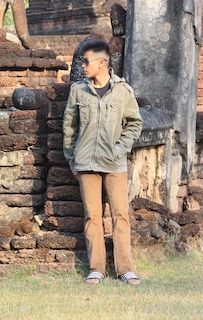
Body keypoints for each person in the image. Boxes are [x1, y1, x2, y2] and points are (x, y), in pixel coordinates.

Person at [62, 39, 143, 286]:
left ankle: (125, 269)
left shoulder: (123, 91)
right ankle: (96, 268)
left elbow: (134, 123)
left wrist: (120, 149)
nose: (82, 65)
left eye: (86, 61)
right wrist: (72, 160)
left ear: (102, 63)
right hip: (86, 163)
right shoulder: (78, 91)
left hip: (115, 163)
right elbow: (69, 127)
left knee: (120, 215)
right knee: (92, 217)